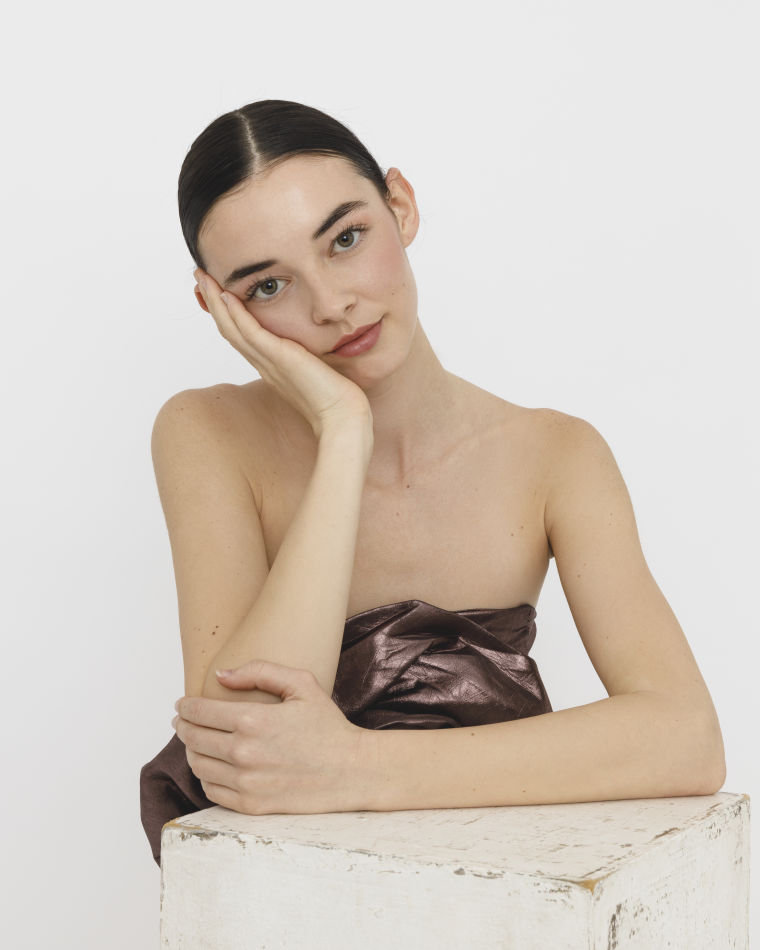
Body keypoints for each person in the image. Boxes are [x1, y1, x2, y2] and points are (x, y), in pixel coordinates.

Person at [140, 99, 725, 865]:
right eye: (268, 287)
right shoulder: (206, 432)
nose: (331, 305)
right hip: (276, 892)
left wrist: (354, 766)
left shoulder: (556, 455)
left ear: (402, 205)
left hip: (498, 883)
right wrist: (342, 431)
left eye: (345, 239)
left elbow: (687, 739)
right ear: (217, 304)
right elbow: (241, 745)